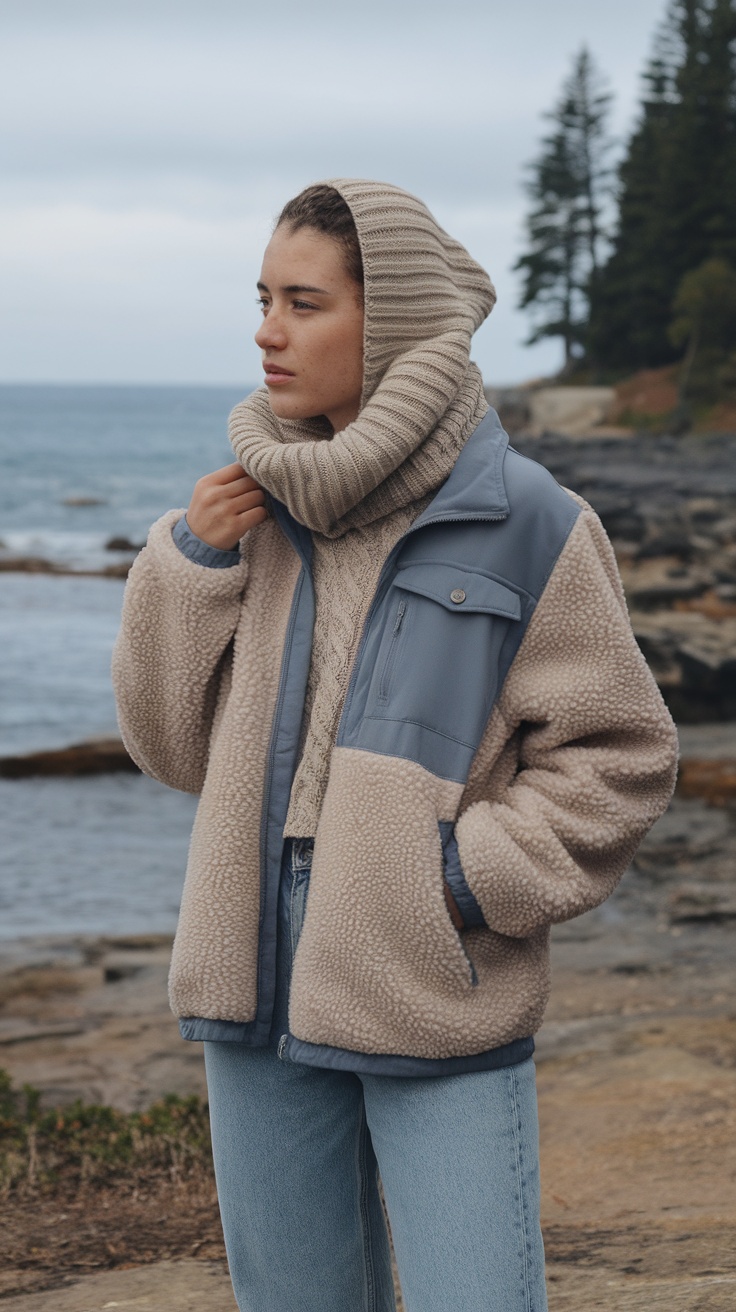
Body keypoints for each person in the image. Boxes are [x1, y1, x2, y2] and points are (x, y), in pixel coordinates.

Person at [112, 179, 679, 1312]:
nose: (267, 332)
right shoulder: (249, 512)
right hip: (253, 973)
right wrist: (191, 565)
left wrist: (458, 880)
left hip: (428, 971)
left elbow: (620, 754)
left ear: (395, 328)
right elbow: (169, 745)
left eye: (304, 303)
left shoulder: (531, 521)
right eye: (263, 299)